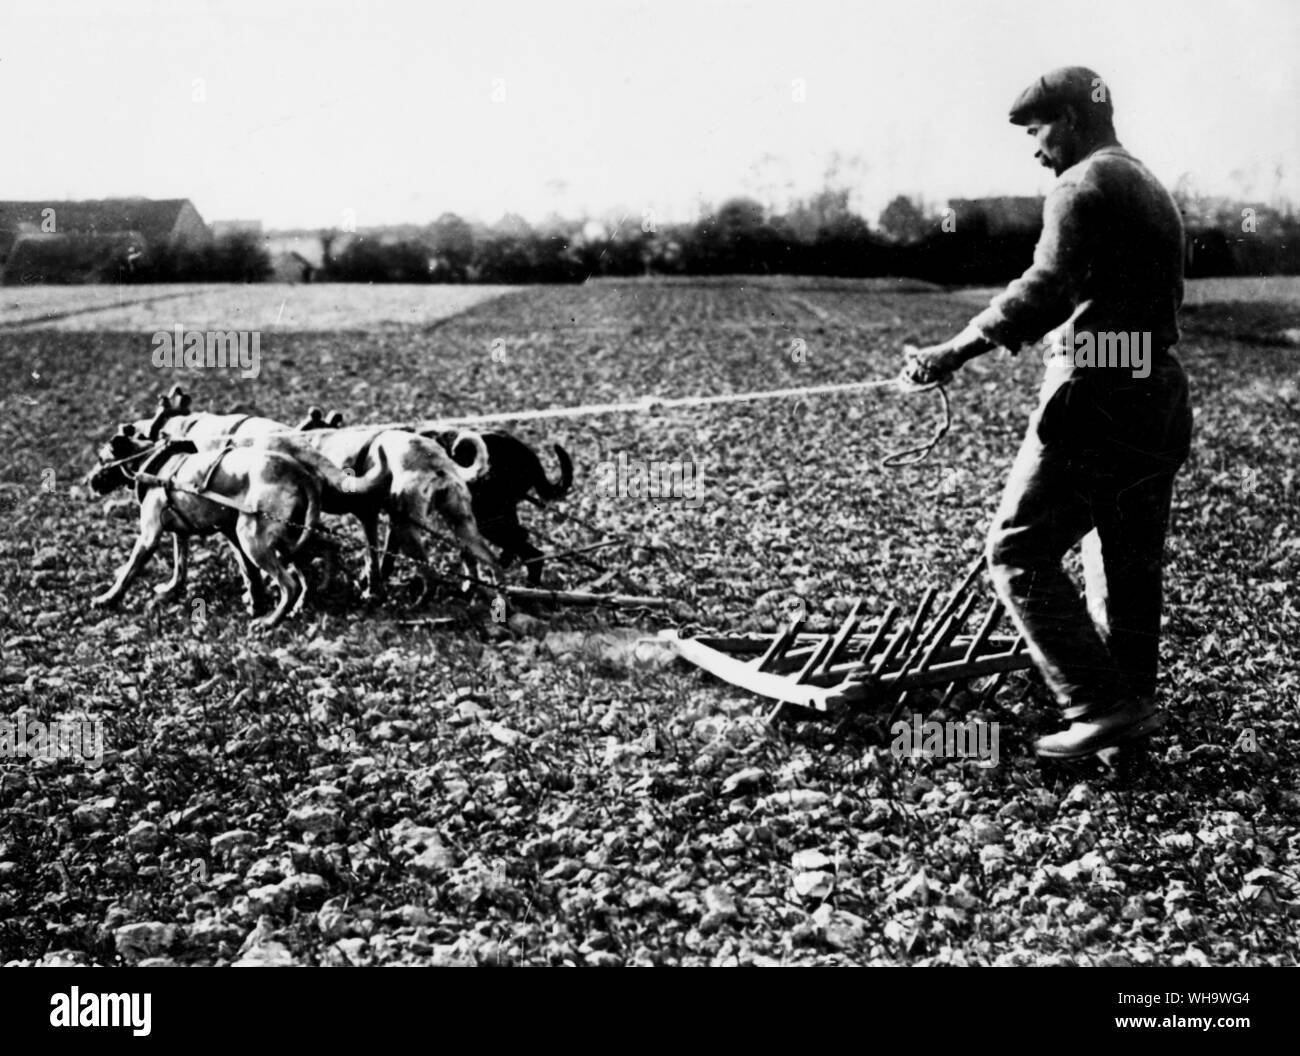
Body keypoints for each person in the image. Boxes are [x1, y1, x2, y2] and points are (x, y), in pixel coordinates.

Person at [902, 66, 1194, 758]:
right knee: (1127, 559)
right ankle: (1127, 718)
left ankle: (1095, 705)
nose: (1035, 149)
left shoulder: (1081, 184)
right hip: (1157, 391)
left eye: (1037, 130)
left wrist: (953, 350)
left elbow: (1044, 287)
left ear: (1068, 117)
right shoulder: (1146, 182)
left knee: (1017, 548)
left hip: (1097, 395)